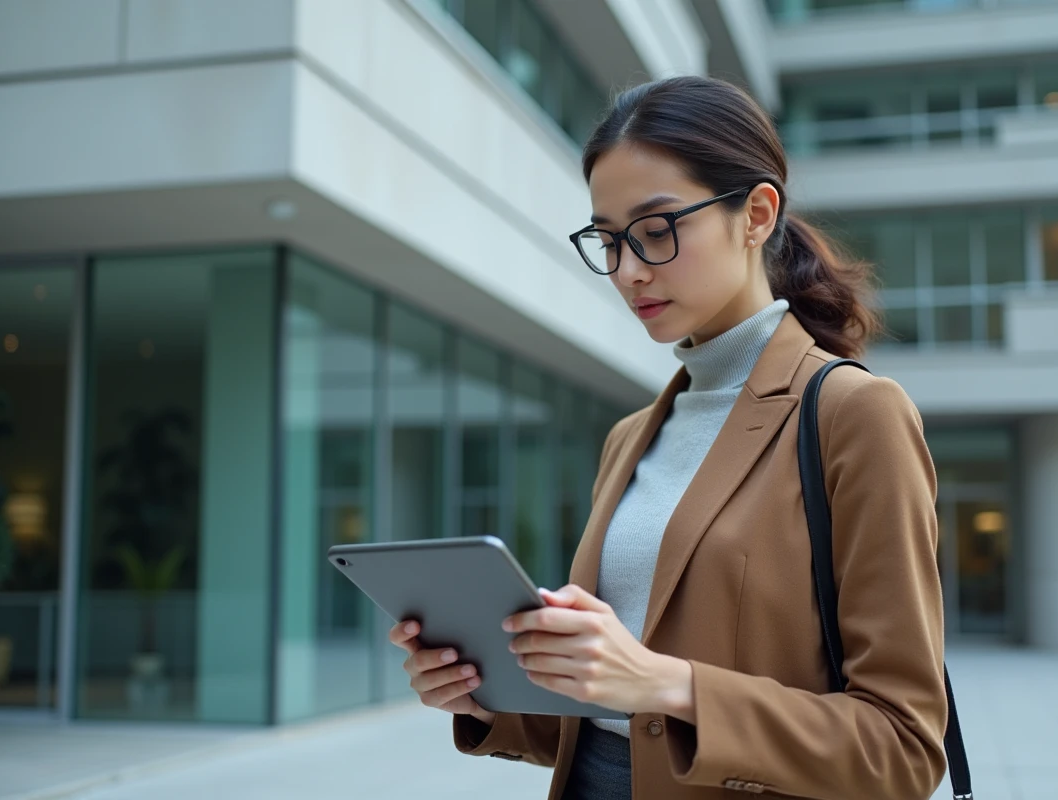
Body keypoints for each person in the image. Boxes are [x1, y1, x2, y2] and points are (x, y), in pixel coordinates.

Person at [389, 75, 948, 800]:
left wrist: (669, 684)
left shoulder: (854, 414)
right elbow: (614, 720)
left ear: (756, 214)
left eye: (656, 231)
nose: (627, 271)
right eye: (607, 241)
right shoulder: (631, 437)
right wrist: (483, 695)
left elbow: (903, 748)